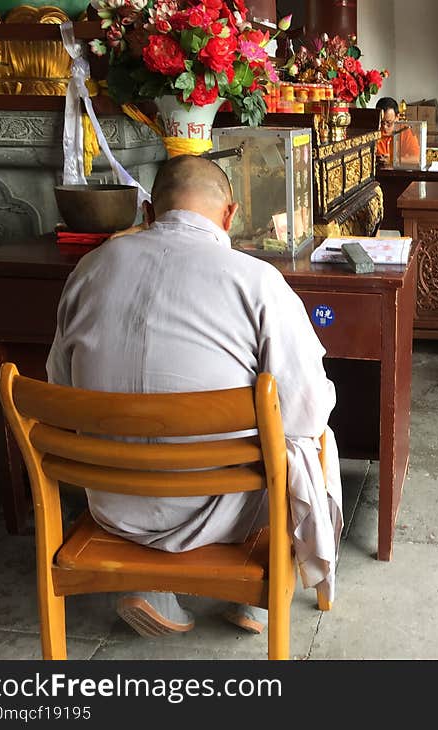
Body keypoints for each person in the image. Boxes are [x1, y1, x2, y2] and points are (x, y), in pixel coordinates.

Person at [47, 155, 343, 638]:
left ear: (147, 212)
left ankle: (152, 582)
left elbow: (60, 384)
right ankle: (260, 596)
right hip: (219, 510)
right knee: (312, 434)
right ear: (230, 215)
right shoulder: (257, 280)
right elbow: (305, 411)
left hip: (111, 502)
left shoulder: (88, 270)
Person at [375, 97, 421, 167]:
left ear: (397, 117)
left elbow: (417, 158)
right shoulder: (373, 132)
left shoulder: (405, 131)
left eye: (389, 123)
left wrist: (393, 160)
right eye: (381, 122)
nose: (384, 127)